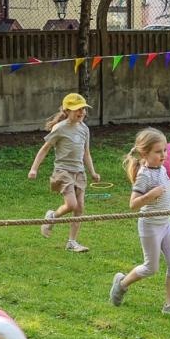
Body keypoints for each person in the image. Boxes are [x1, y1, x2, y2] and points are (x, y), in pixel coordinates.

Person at [109, 128, 170, 317]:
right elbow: (133, 204)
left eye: (164, 151)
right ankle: (121, 284)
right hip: (150, 226)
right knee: (150, 268)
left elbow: (161, 183)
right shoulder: (143, 174)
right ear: (145, 153)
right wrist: (150, 196)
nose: (164, 155)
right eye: (158, 151)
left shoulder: (160, 168)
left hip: (166, 223)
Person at [29, 92, 100, 253]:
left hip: (79, 172)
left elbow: (86, 153)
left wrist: (93, 173)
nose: (81, 112)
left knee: (79, 208)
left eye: (83, 109)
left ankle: (72, 242)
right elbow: (45, 149)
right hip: (63, 172)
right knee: (71, 204)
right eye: (77, 109)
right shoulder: (59, 128)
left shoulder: (84, 129)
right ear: (67, 111)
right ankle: (52, 216)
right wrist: (34, 168)